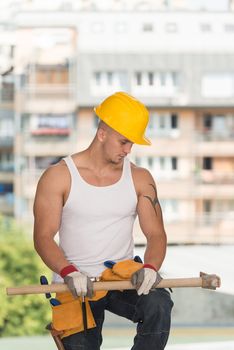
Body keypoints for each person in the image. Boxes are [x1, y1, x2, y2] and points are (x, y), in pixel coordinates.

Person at [33, 91, 173, 350]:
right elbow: (42, 237)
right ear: (102, 134)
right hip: (75, 284)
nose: (128, 150)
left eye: (132, 143)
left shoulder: (140, 178)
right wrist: (69, 272)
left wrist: (151, 268)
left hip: (121, 278)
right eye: (123, 142)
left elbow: (156, 234)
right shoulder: (58, 176)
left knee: (159, 304)